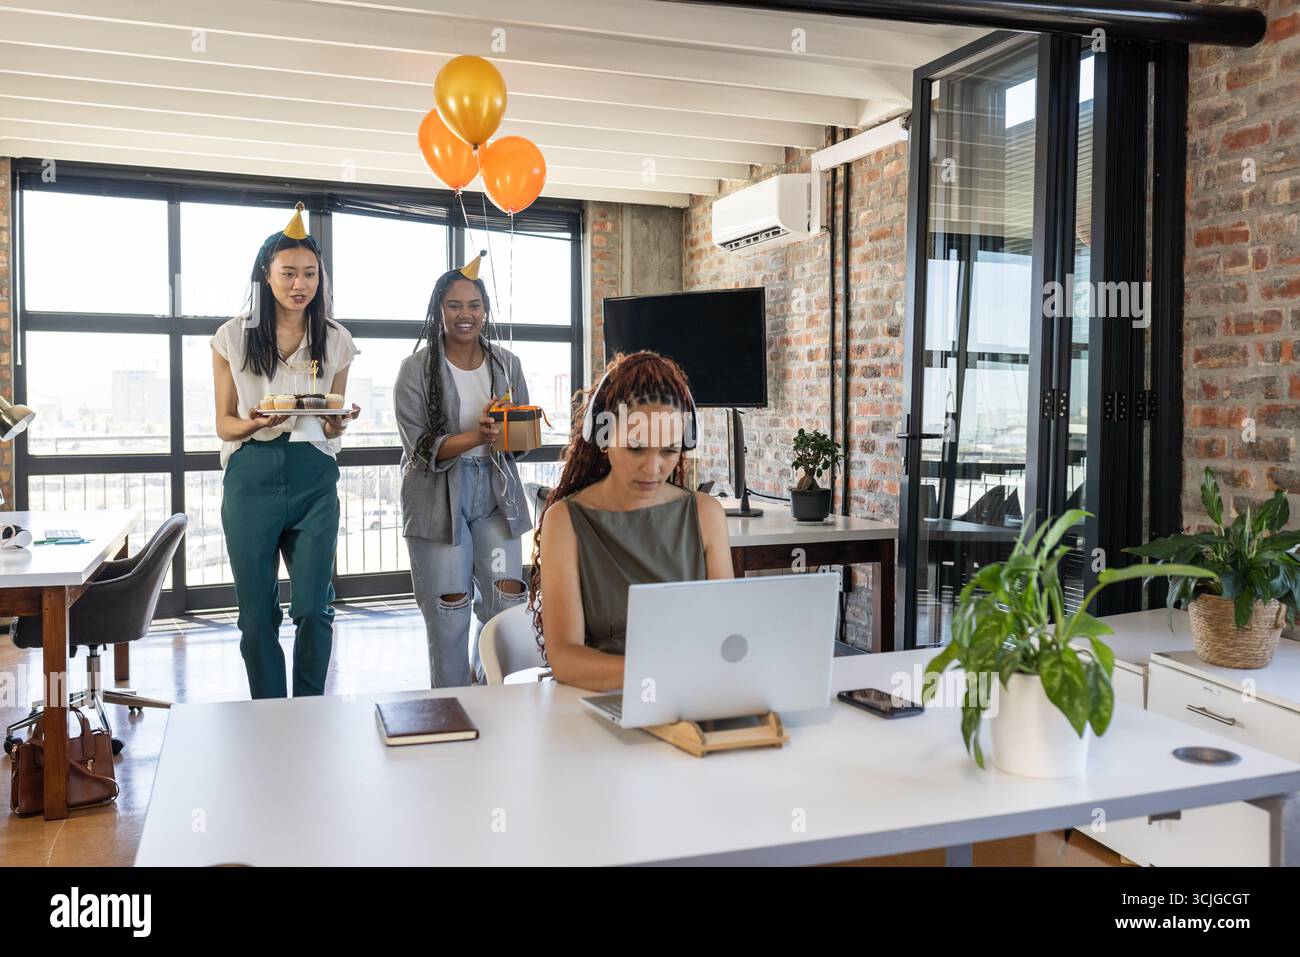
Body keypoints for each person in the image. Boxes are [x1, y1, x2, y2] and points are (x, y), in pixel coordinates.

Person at [212, 202, 361, 699]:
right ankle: (270, 712)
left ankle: (310, 709)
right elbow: (224, 424)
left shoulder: (337, 340)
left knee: (314, 608)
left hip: (314, 476)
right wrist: (256, 421)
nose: (301, 284)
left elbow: (331, 425)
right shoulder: (232, 337)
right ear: (266, 275)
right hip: (251, 475)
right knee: (256, 615)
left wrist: (338, 420)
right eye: (289, 273)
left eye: (310, 274)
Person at [528, 351, 732, 691]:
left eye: (669, 451)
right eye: (636, 448)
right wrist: (663, 675)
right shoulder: (565, 521)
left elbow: (726, 633)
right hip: (603, 702)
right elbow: (565, 659)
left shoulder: (705, 514)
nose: (653, 468)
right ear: (604, 440)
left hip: (695, 696)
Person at [395, 254, 531, 688]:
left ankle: (488, 689)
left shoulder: (507, 363)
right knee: (449, 609)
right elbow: (421, 448)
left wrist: (512, 426)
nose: (465, 314)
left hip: (495, 494)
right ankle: (451, 703)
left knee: (504, 601)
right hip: (439, 499)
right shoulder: (415, 369)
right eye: (454, 305)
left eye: (473, 305)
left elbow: (521, 442)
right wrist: (478, 434)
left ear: (485, 311)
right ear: (440, 311)